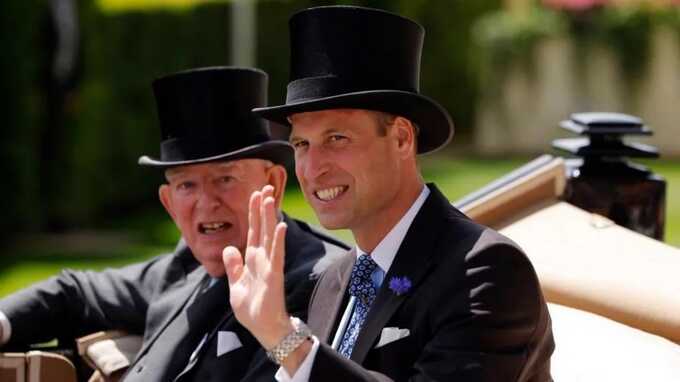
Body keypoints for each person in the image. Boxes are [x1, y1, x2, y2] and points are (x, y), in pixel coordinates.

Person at [222, 6, 555, 382]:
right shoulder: (332, 281)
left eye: (336, 139)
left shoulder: (485, 271)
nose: (313, 168)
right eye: (301, 144)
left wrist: (285, 340)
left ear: (401, 137)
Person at [0, 67, 347, 381]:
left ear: (272, 183)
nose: (207, 202)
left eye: (225, 178)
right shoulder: (185, 267)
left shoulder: (319, 282)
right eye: (186, 185)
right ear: (168, 202)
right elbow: (73, 293)